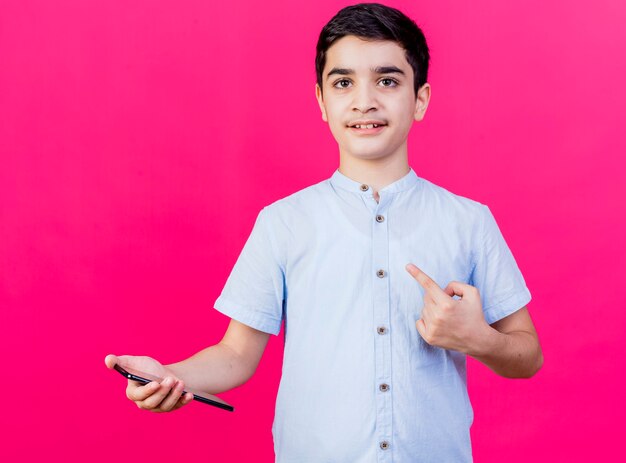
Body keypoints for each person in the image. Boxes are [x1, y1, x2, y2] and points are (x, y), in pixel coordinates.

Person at [105, 3, 543, 461]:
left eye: (388, 81)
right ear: (321, 101)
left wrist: (479, 339)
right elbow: (236, 354)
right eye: (343, 82)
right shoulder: (283, 223)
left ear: (421, 99)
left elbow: (528, 355)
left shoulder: (468, 220)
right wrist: (170, 374)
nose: (364, 101)